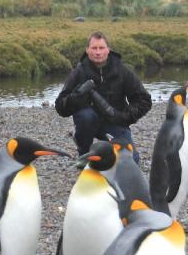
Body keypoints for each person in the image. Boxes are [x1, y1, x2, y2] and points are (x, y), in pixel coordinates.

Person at [55, 31, 152, 164]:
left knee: (131, 161)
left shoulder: (122, 71)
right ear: (87, 50)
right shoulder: (79, 72)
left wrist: (125, 116)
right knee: (86, 117)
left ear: (108, 50)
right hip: (88, 123)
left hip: (115, 123)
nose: (98, 52)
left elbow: (144, 100)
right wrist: (76, 97)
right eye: (94, 48)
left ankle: (108, 150)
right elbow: (60, 107)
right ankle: (84, 152)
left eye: (101, 48)